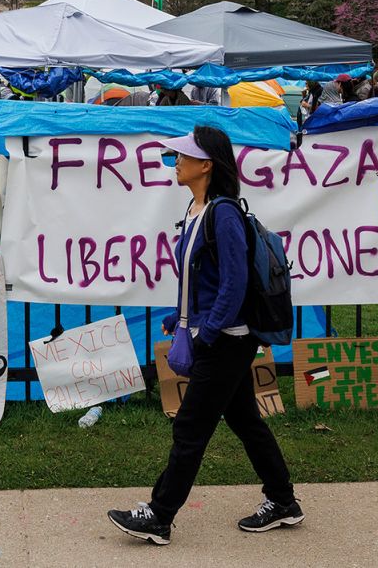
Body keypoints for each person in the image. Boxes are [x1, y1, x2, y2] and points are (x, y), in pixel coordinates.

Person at [108, 126, 300, 546]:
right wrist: (181, 320)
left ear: (206, 165)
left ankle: (159, 516)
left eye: (183, 156)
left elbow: (234, 285)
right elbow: (204, 282)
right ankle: (283, 501)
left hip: (226, 339)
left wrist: (204, 334)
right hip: (214, 333)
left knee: (191, 426)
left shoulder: (224, 213)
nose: (175, 162)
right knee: (246, 420)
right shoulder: (196, 211)